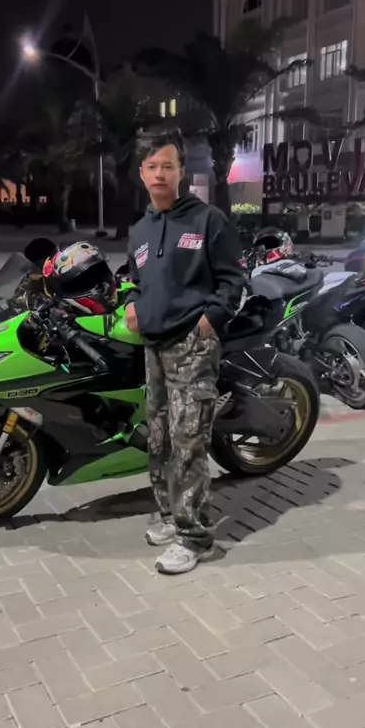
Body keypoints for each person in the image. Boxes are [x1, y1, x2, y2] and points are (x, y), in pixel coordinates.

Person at [125, 126, 245, 575]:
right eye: (152, 166)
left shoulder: (207, 220)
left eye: (168, 166)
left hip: (192, 346)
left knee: (189, 440)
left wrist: (209, 321)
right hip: (153, 348)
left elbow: (233, 280)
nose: (160, 174)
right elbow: (133, 280)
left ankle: (195, 538)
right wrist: (132, 303)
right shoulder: (140, 230)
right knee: (158, 438)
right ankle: (168, 514)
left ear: (181, 171)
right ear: (142, 173)